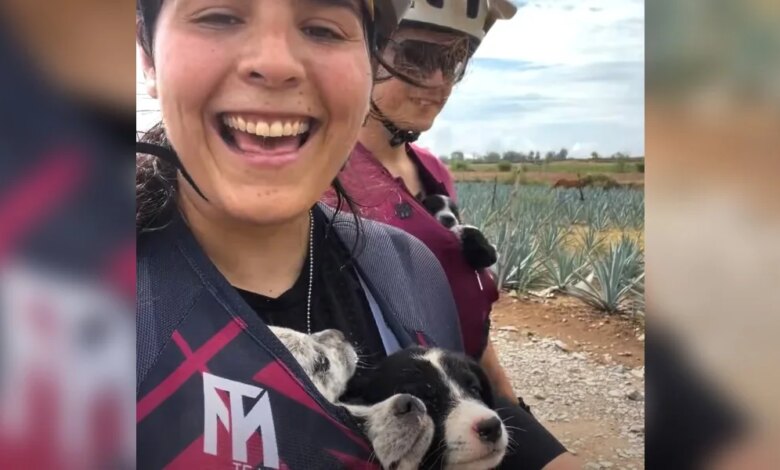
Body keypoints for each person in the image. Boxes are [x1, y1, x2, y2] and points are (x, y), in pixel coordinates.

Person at [136, 0, 576, 468]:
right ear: (148, 59)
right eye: (217, 16)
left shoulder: (409, 271)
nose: (275, 64)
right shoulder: (68, 325)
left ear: (369, 65)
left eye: (324, 28)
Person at [328, 0, 518, 409]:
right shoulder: (322, 179)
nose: (437, 81)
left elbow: (464, 315)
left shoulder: (432, 171)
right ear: (366, 56)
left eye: (453, 62)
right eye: (416, 57)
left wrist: (509, 402)